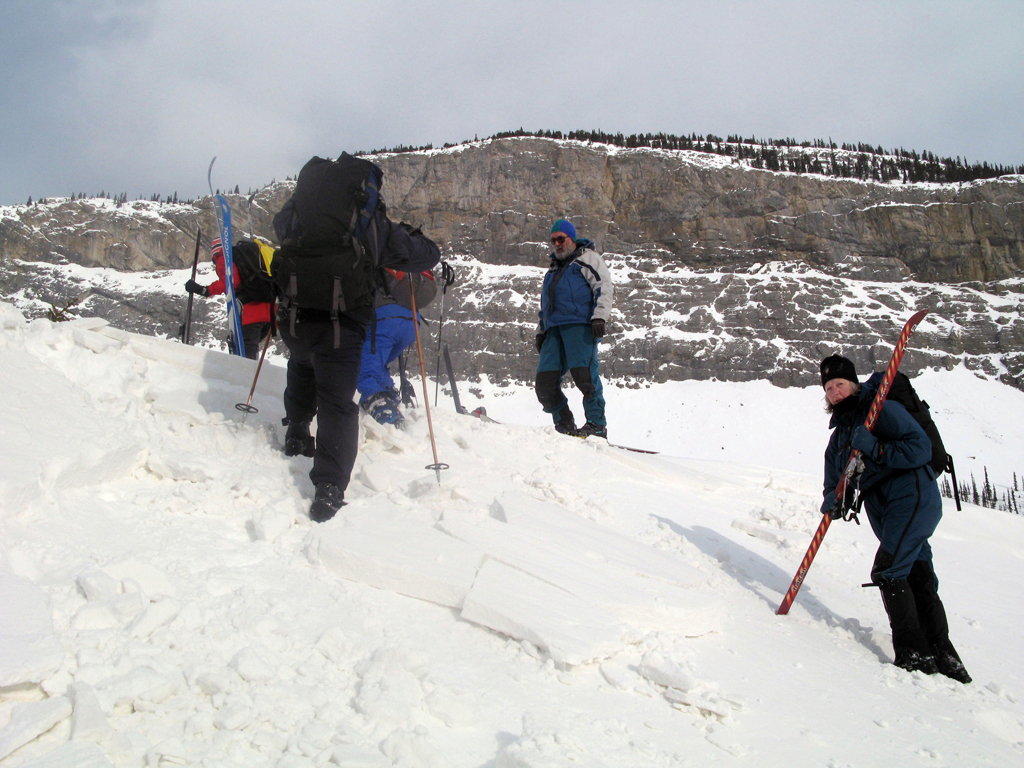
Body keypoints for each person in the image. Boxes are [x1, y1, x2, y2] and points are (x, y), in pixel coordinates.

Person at [275, 163, 440, 523]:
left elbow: (279, 226)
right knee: (337, 403)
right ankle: (329, 489)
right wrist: (408, 233)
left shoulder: (299, 215)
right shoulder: (367, 222)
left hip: (295, 317)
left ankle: (297, 432)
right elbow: (427, 254)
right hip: (343, 324)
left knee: (301, 364)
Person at [820, 355, 971, 683]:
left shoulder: (882, 410)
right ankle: (943, 655)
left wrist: (876, 448)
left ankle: (913, 655)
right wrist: (833, 499)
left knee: (888, 570)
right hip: (881, 506)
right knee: (915, 571)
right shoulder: (839, 437)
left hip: (910, 495)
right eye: (828, 388)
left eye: (840, 384)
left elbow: (919, 450)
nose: (834, 392)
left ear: (854, 384)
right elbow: (834, 479)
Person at [534, 218, 613, 438]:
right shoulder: (552, 271)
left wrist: (599, 317)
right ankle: (564, 424)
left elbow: (603, 286)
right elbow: (545, 306)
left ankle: (596, 425)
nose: (557, 244)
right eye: (553, 241)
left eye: (560, 239)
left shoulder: (588, 259)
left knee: (585, 377)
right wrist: (541, 331)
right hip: (553, 331)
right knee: (545, 384)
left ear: (572, 238)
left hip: (580, 326)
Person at [357, 269, 436, 428]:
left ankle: (388, 415)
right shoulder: (407, 267)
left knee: (363, 371)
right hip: (412, 322)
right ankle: (389, 395)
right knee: (379, 364)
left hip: (384, 318)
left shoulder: (376, 259)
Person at [184, 238, 272, 359]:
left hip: (251, 313)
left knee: (246, 353)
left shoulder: (223, 258)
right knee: (249, 348)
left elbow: (230, 282)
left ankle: (247, 371)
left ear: (214, 254)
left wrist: (204, 290)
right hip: (269, 312)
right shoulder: (249, 259)